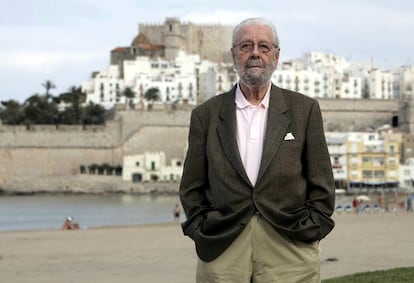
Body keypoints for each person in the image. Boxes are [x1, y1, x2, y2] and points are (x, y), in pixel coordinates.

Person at [179, 17, 335, 282]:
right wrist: (201, 229)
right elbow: (192, 187)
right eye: (245, 46)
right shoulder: (206, 115)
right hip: (224, 246)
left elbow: (322, 184)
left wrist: (311, 230)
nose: (254, 53)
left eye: (263, 47)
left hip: (289, 244)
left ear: (276, 55)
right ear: (233, 54)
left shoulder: (304, 110)